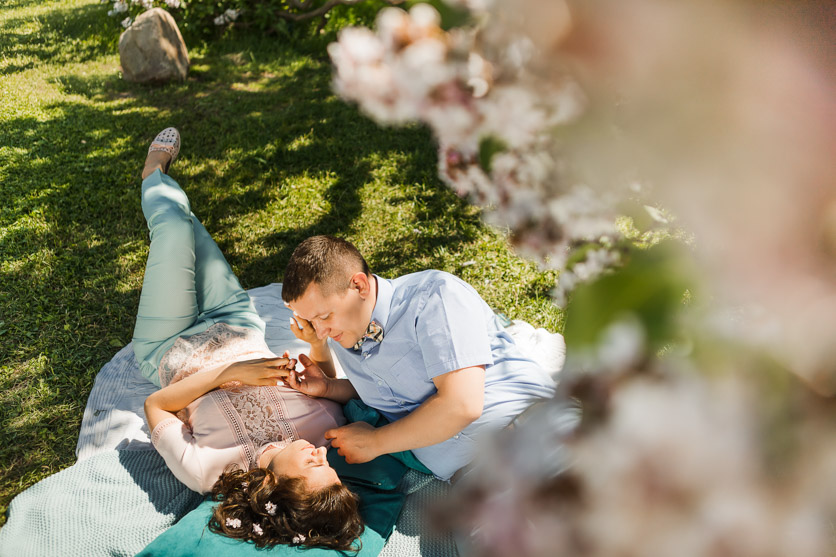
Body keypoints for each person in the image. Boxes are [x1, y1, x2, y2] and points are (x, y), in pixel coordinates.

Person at [134, 128, 363, 550]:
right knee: (187, 224)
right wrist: (317, 345)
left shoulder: (208, 472)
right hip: (237, 321)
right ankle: (162, 187)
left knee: (173, 228)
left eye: (315, 467)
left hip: (171, 345)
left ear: (279, 487)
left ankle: (153, 173)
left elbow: (155, 405)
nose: (322, 455)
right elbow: (327, 381)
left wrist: (230, 372)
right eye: (328, 464)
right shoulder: (325, 432)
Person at [280, 236, 557, 481]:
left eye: (325, 316)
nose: (322, 330)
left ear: (359, 285)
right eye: (312, 321)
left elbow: (461, 404)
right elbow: (391, 389)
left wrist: (375, 442)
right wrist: (329, 387)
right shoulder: (345, 336)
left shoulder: (434, 297)